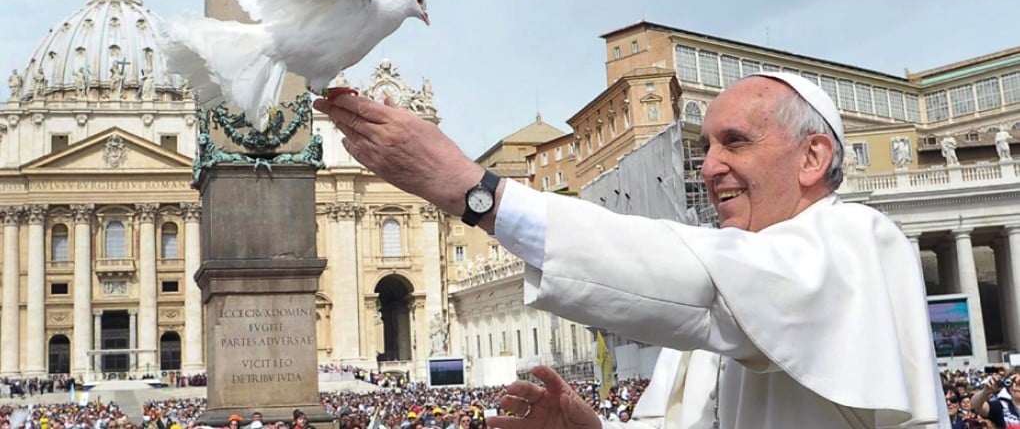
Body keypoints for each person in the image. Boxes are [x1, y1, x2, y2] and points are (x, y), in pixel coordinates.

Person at [314, 72, 948, 428]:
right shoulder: (728, 296)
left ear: (814, 157)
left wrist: (474, 192)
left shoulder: (860, 242)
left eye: (735, 143)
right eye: (705, 149)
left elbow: (701, 279)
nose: (709, 168)